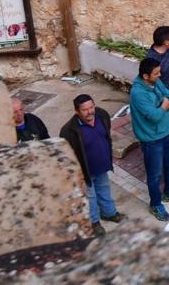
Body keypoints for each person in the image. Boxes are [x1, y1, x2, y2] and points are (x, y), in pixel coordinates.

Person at [130, 58, 169, 221]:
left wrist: (162, 105)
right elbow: (154, 116)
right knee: (154, 174)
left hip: (167, 133)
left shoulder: (156, 81)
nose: (160, 75)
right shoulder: (138, 93)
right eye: (156, 73)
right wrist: (163, 106)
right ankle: (155, 204)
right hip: (152, 139)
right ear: (146, 76)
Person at [59, 94, 123, 237]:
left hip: (102, 167)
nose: (90, 112)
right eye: (85, 110)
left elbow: (106, 136)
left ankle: (109, 214)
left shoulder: (102, 116)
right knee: (91, 198)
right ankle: (94, 223)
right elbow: (67, 156)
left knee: (105, 191)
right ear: (77, 111)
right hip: (85, 172)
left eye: (91, 107)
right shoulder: (68, 131)